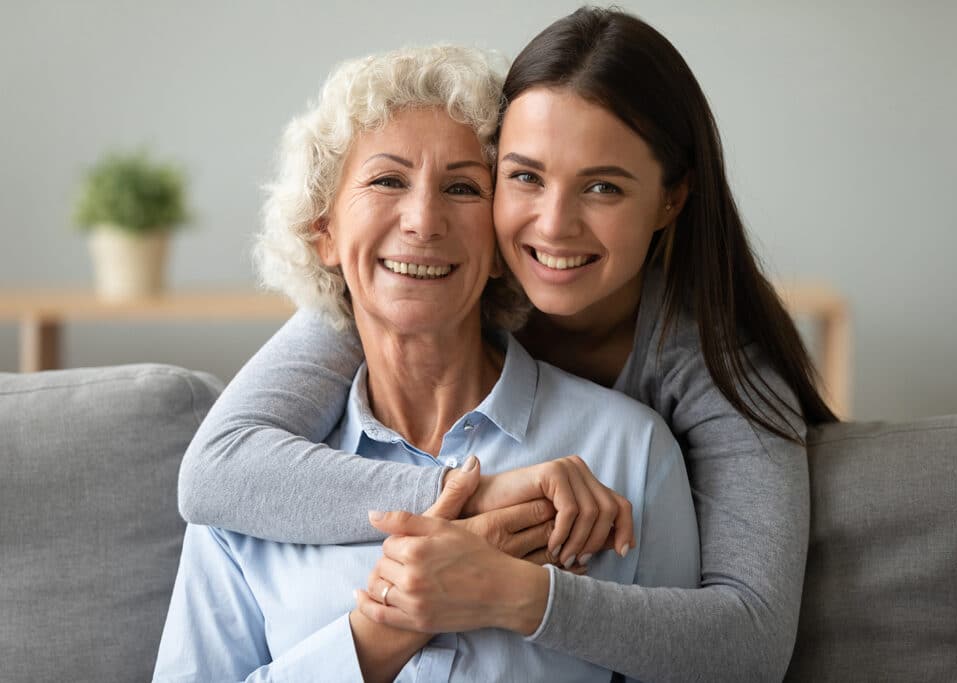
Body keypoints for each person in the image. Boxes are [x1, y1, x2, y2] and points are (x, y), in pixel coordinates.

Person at [178, 7, 838, 681]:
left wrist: (512, 592)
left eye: (603, 186)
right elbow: (213, 473)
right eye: (525, 175)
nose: (553, 226)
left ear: (671, 199)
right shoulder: (381, 303)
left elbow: (748, 642)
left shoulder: (671, 411)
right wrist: (471, 500)